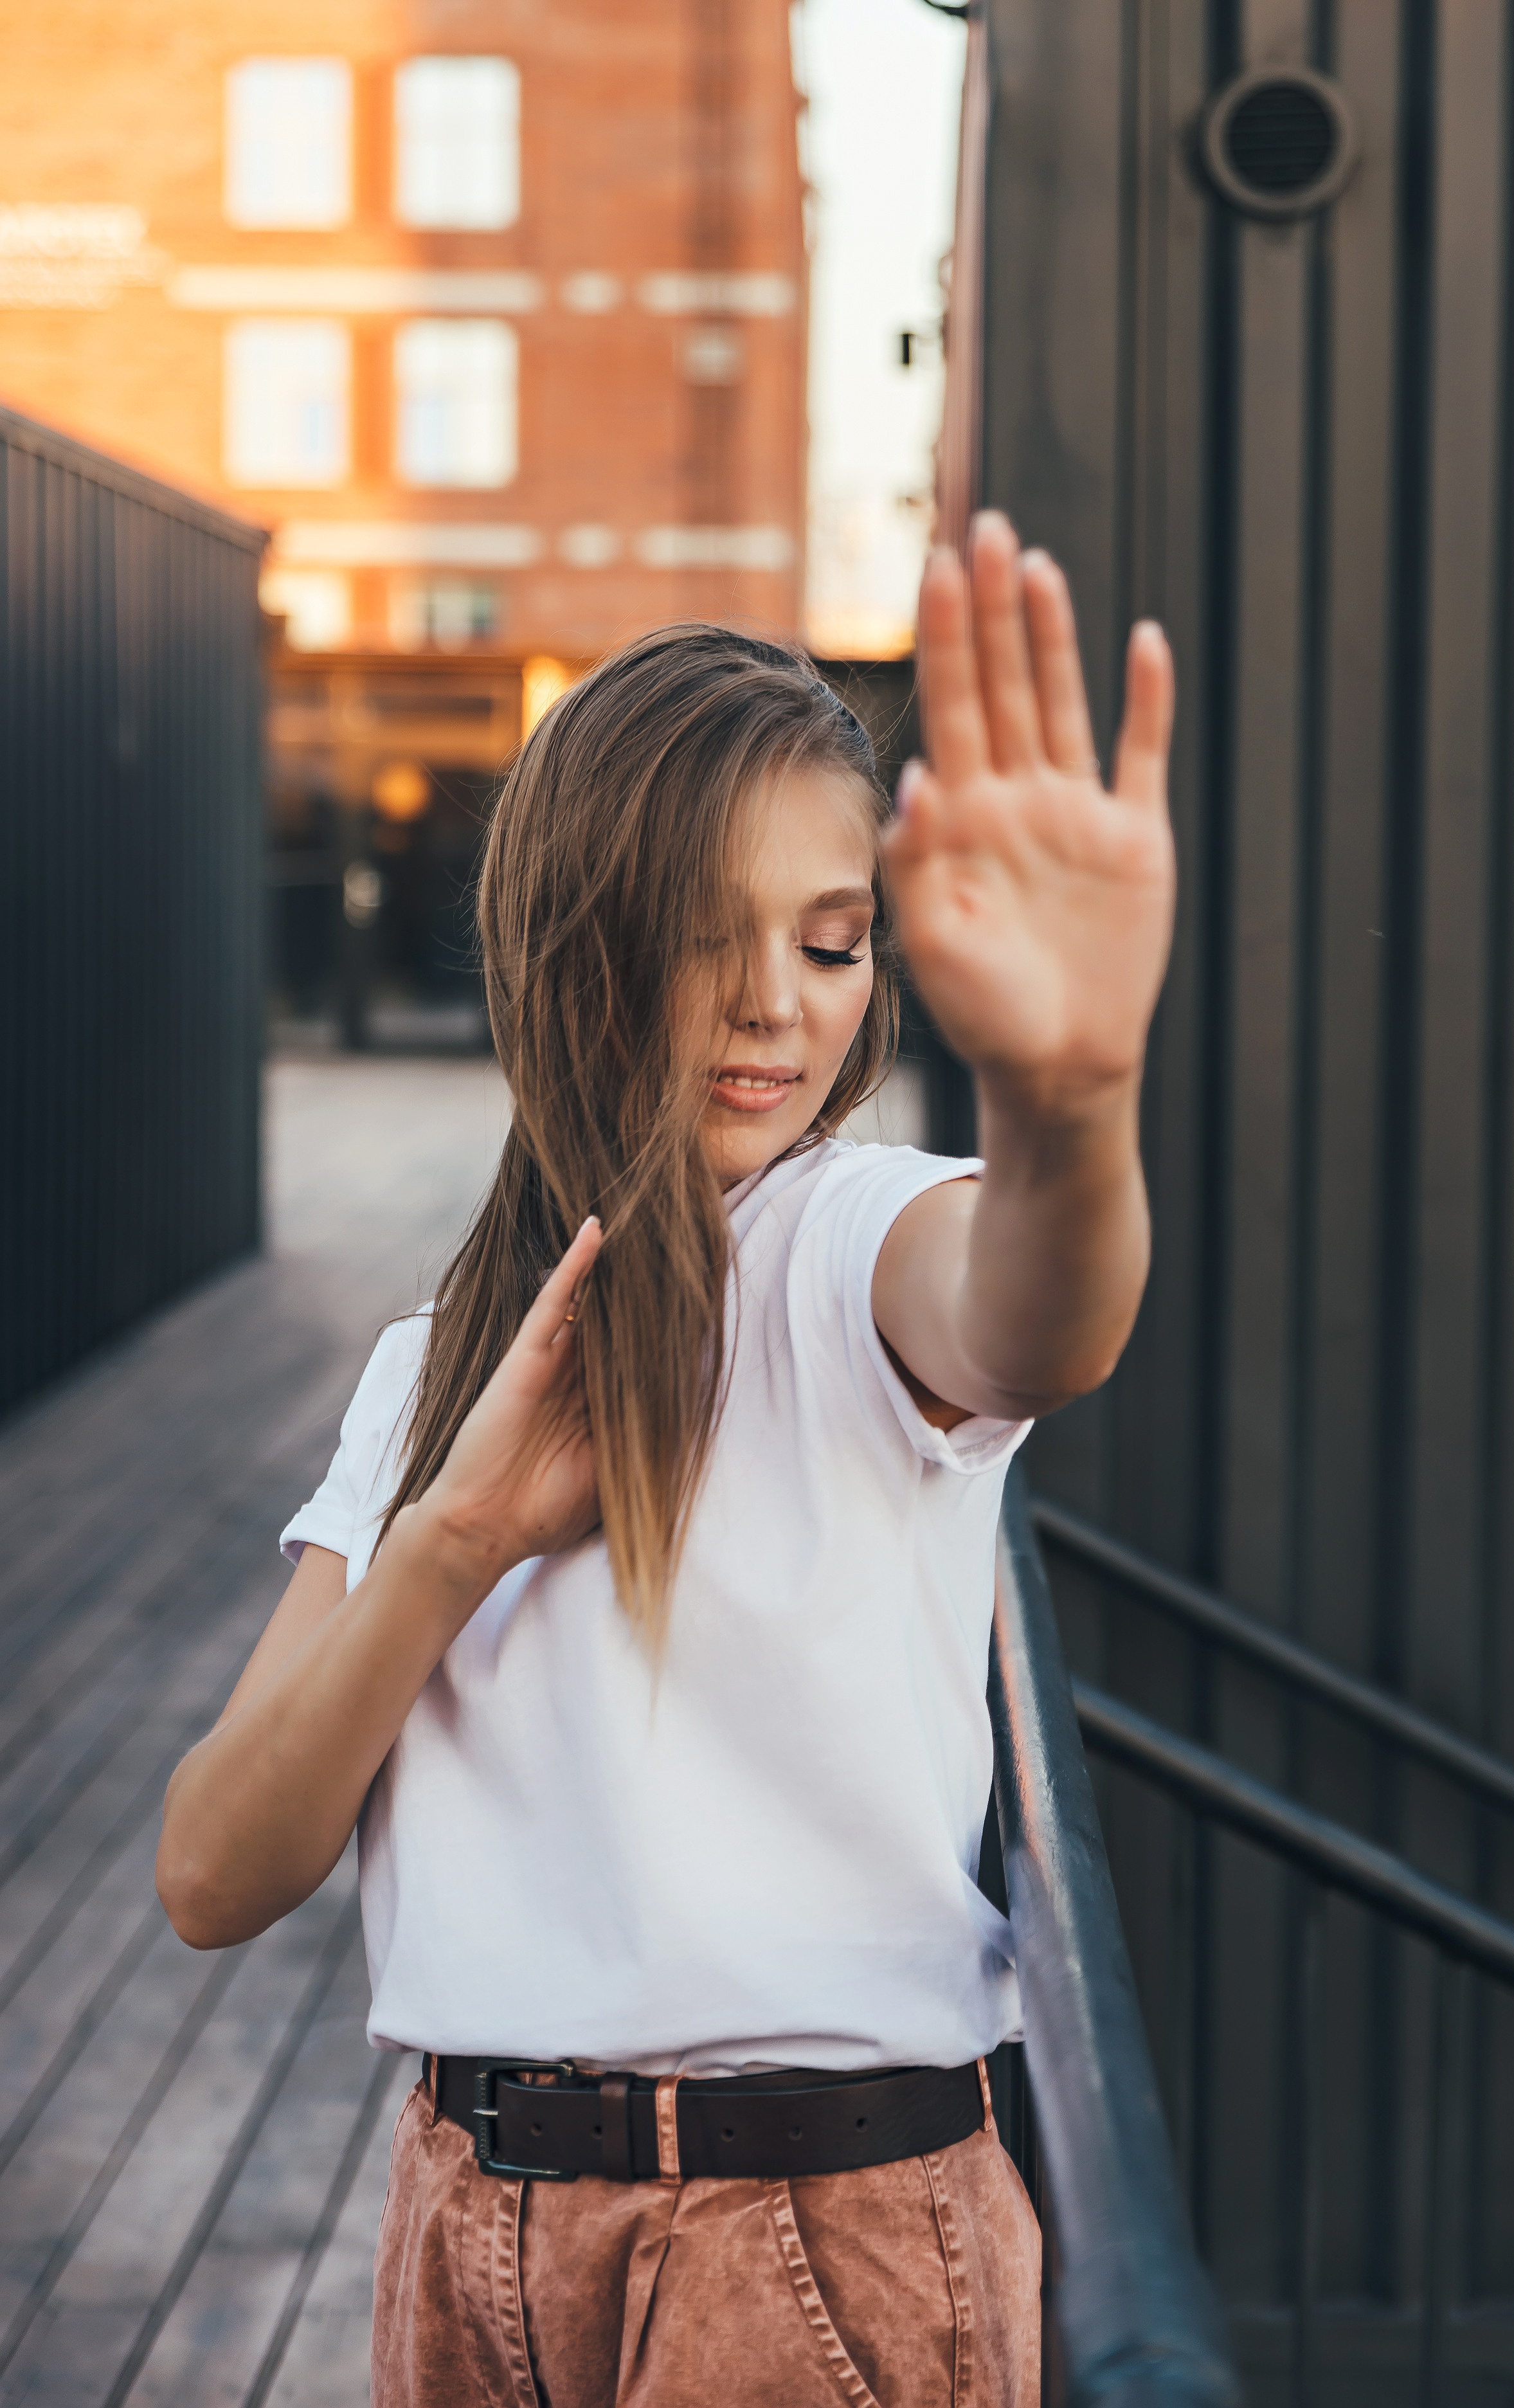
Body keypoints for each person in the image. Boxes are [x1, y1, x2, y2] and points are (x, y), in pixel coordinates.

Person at [156, 513, 1175, 2408]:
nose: (779, 1003)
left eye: (832, 938)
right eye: (709, 933)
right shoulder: (428, 1371)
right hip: (469, 2225)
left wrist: (1069, 1095)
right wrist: (457, 1536)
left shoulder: (848, 1244)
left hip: (807, 2244)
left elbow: (1041, 1308)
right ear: (574, 935)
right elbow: (216, 1867)